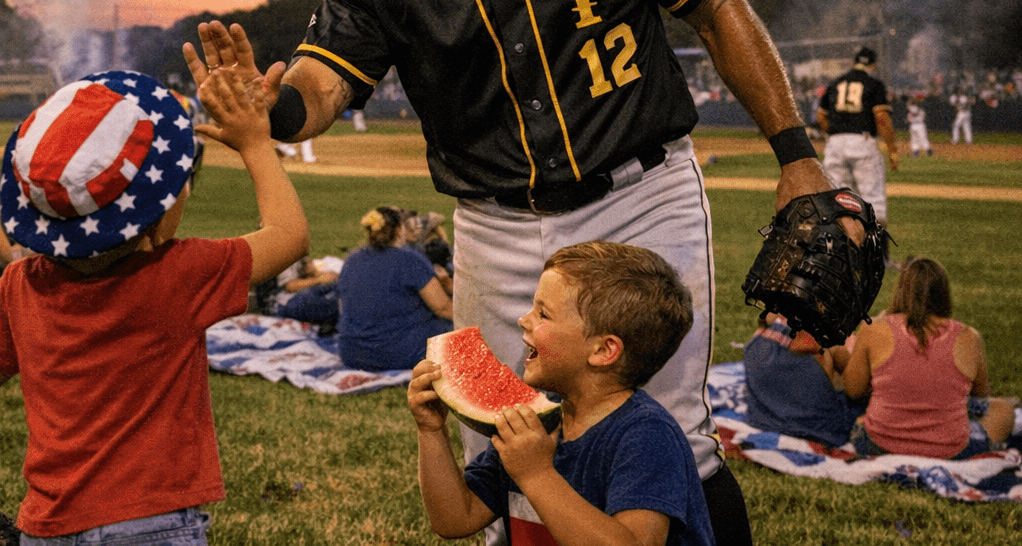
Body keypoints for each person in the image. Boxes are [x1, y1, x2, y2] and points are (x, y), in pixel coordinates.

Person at [191, 0, 840, 543]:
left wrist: (797, 153)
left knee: (672, 436)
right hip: (495, 226)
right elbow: (325, 80)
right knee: (508, 444)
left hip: (639, 197)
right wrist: (272, 113)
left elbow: (718, 4)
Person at [0, 65, 309, 544]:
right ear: (154, 210)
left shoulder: (20, 284)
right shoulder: (179, 274)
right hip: (155, 522)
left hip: (47, 526)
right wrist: (254, 144)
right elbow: (289, 236)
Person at [408, 241, 714, 546]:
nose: (523, 319)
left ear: (603, 350)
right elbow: (455, 519)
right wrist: (431, 430)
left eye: (543, 314)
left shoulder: (646, 435)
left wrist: (537, 475)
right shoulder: (535, 421)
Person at [842, 257, 1017, 458]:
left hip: (879, 445)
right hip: (951, 451)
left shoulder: (874, 329)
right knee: (1003, 409)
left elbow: (852, 390)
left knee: (861, 417)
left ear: (901, 290)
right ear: (943, 292)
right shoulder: (969, 337)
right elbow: (981, 395)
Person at [337, 206, 453, 371]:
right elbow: (443, 308)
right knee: (449, 328)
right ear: (400, 230)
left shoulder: (352, 259)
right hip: (399, 354)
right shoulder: (410, 260)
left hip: (352, 354)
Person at [741, 313, 862, 447]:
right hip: (818, 428)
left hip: (763, 418)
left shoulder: (766, 327)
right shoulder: (823, 334)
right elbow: (856, 389)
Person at [816, 46, 897, 225]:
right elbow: (882, 117)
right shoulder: (874, 84)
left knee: (839, 203)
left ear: (854, 62)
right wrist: (892, 149)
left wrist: (837, 134)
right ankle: (878, 252)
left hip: (835, 144)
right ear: (874, 64)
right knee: (873, 201)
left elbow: (820, 117)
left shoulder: (835, 83)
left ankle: (841, 252)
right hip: (862, 140)